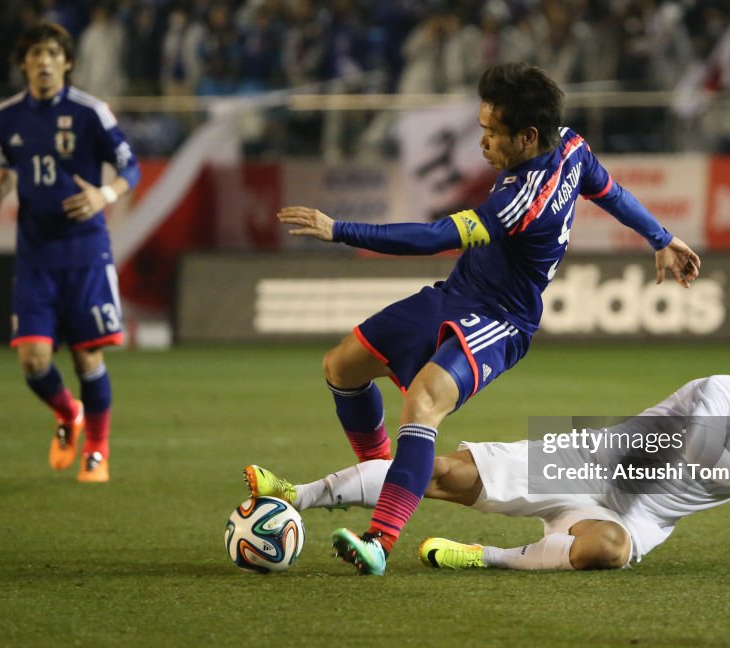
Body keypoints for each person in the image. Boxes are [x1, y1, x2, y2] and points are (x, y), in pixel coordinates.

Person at [275, 62, 701, 575]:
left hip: (501, 319)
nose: (483, 143)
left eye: (491, 133)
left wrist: (339, 229)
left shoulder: (521, 203)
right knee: (342, 367)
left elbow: (434, 238)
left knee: (423, 401)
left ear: (527, 135)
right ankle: (379, 470)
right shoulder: (570, 146)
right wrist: (661, 237)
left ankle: (380, 540)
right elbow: (610, 192)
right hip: (456, 293)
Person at [245, 356, 730, 571]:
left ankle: (484, 556)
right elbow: (699, 449)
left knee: (611, 551)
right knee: (447, 472)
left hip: (642, 515)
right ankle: (295, 495)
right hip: (591, 463)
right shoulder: (722, 389)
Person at [0, 21, 141, 484]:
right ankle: (69, 412)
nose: (43, 62)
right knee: (33, 360)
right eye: (34, 55)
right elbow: (9, 162)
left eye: (51, 53)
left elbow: (131, 167)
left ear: (67, 61)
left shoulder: (92, 112)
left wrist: (103, 196)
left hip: (85, 250)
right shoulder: (7, 115)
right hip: (35, 253)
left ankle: (97, 450)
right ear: (24, 64)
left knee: (88, 357)